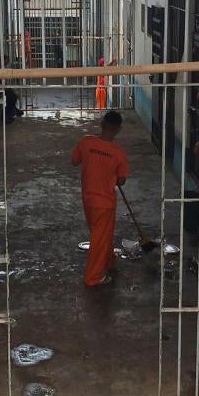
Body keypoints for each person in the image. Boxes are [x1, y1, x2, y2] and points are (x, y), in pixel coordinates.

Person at [71, 111, 129, 287]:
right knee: (99, 238)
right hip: (105, 202)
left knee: (101, 234)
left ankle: (109, 260)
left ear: (101, 124)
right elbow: (121, 181)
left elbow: (74, 161)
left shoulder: (86, 142)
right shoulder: (119, 154)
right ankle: (93, 277)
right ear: (118, 129)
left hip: (88, 199)